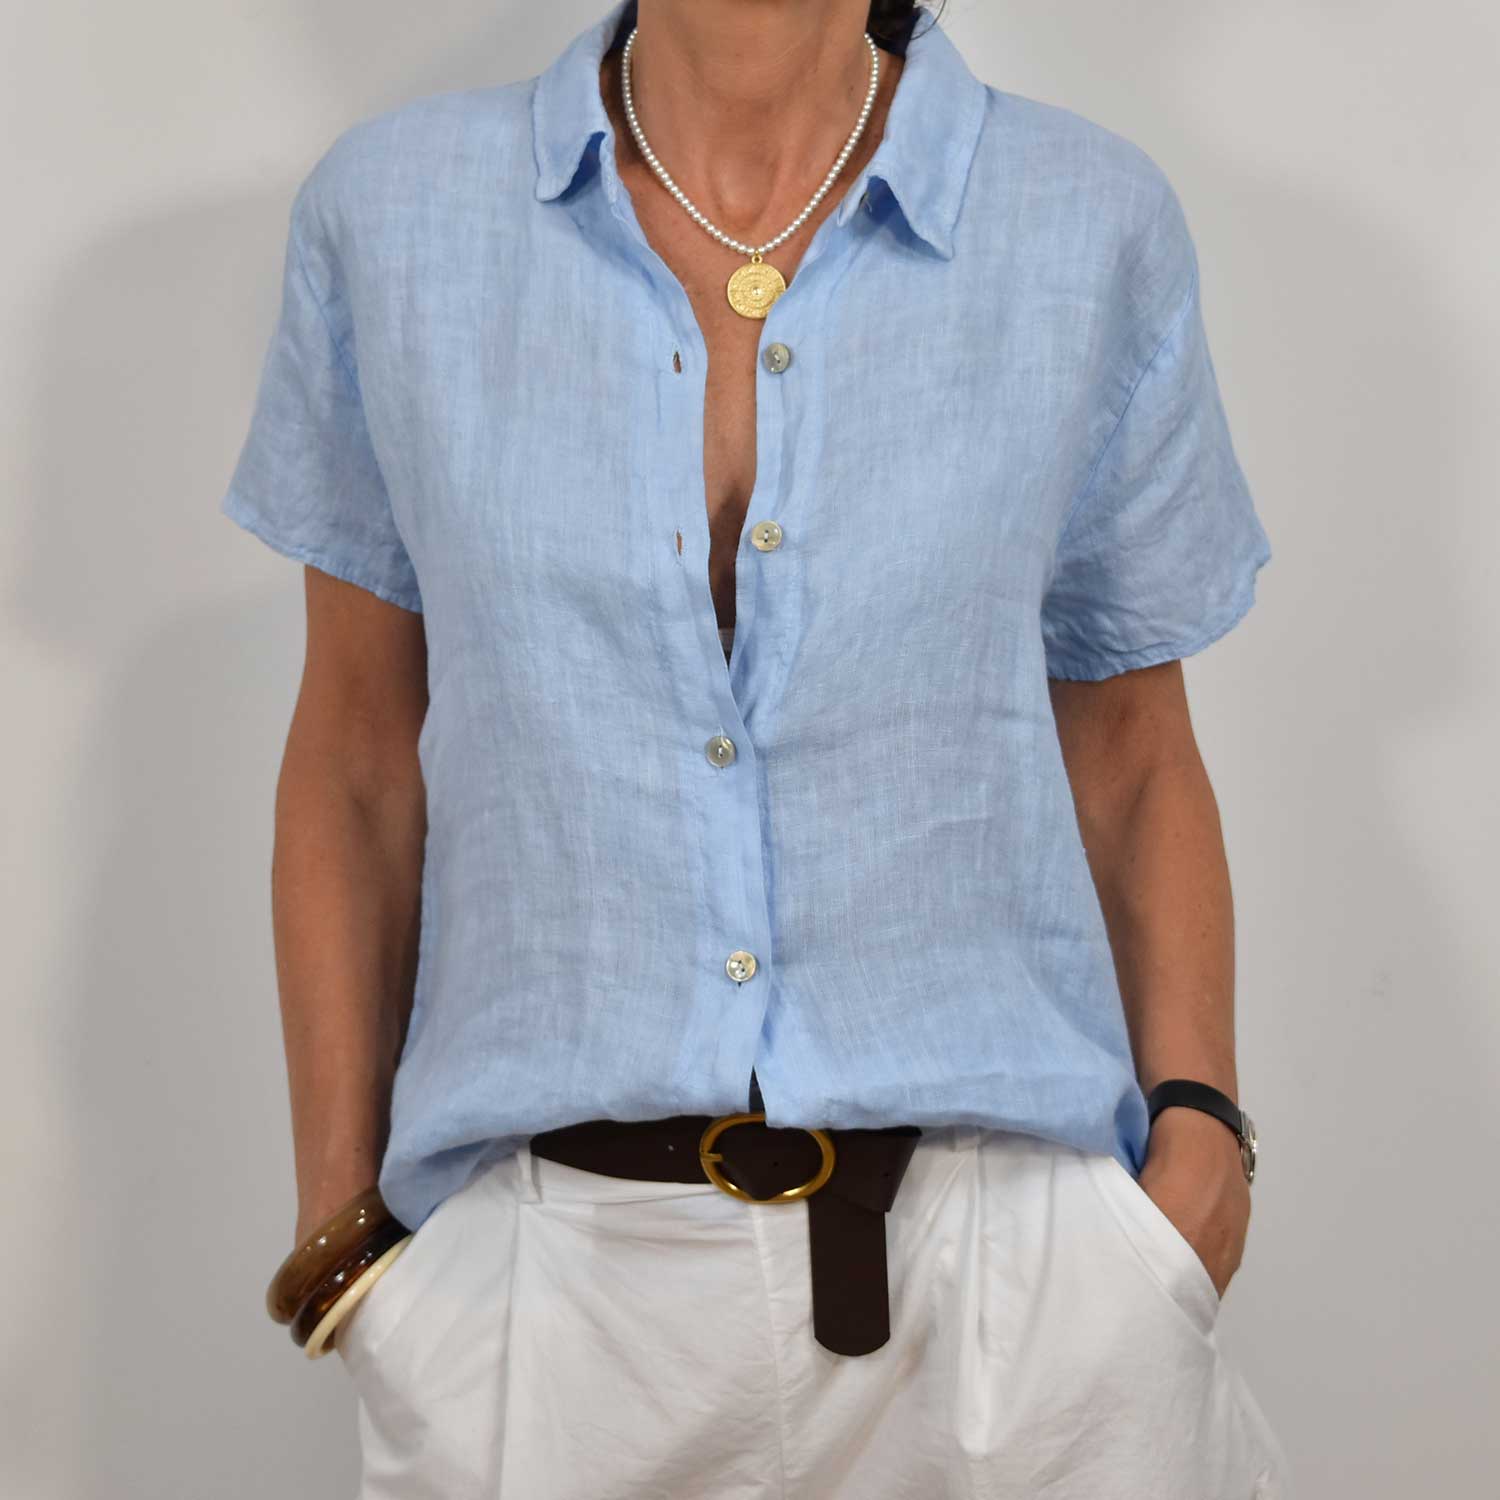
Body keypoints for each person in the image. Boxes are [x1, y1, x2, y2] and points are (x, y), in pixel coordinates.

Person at [221, 0, 1292, 1494]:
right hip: (553, 1306)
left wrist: (1200, 1138)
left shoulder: (1084, 220)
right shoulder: (394, 219)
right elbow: (355, 754)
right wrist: (347, 1235)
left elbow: (1130, 744)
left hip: (1026, 1302)